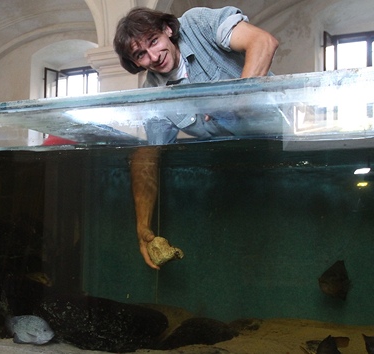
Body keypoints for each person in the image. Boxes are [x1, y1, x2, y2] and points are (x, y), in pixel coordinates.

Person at [113, 6, 280, 269]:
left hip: (282, 146)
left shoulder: (199, 24)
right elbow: (149, 157)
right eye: (141, 54)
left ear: (167, 30)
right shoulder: (153, 95)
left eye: (154, 41)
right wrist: (142, 226)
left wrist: (234, 103)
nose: (154, 56)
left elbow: (263, 42)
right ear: (135, 63)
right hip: (238, 171)